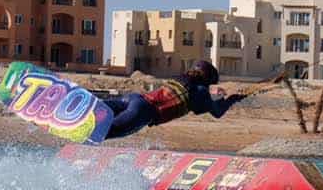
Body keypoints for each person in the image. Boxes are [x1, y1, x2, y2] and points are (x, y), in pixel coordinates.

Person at [102, 60, 246, 140]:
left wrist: (218, 97)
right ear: (208, 80)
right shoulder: (201, 92)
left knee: (98, 110)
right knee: (103, 133)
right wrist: (233, 98)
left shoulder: (181, 78)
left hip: (134, 98)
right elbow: (218, 112)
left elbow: (205, 100)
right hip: (144, 111)